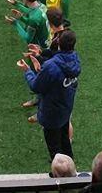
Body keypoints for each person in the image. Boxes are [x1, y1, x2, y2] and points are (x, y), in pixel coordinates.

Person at [19, 29, 80, 160]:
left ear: (58, 44)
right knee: (64, 139)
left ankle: (60, 174)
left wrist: (27, 71)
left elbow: (36, 86)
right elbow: (56, 70)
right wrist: (41, 59)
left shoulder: (51, 66)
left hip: (52, 113)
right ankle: (70, 164)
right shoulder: (74, 58)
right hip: (66, 107)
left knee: (55, 149)